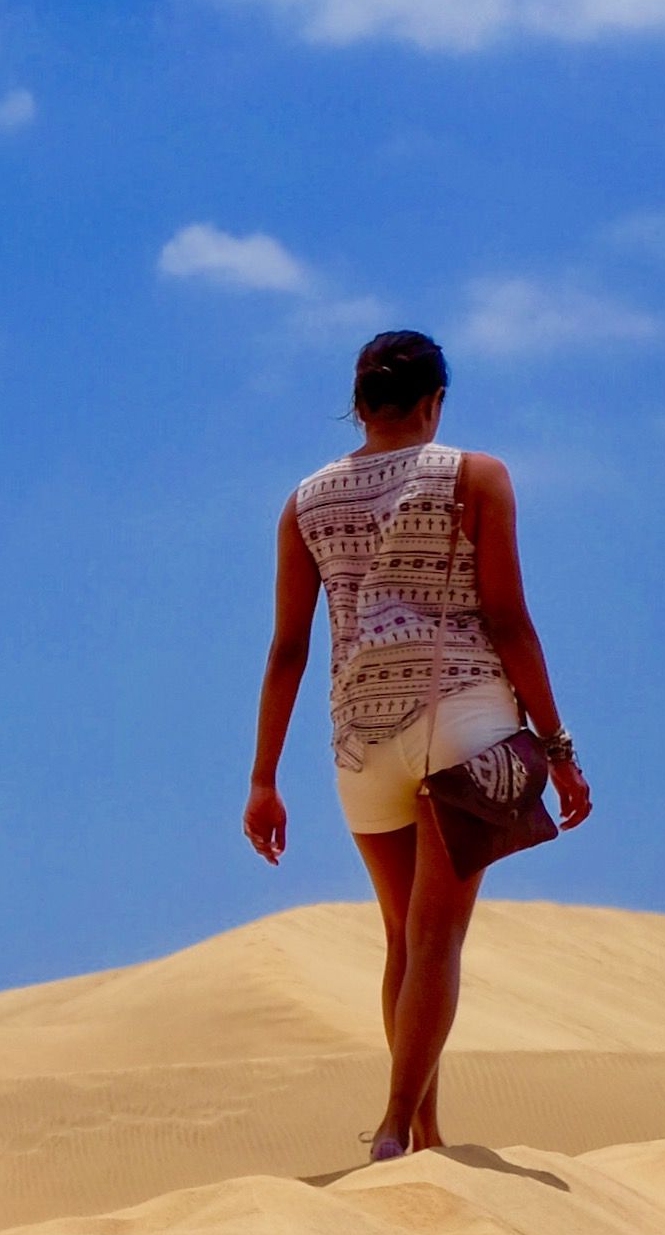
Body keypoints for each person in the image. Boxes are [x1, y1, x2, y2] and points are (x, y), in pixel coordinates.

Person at [243, 330, 593, 1164]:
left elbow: (288, 648)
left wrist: (263, 779)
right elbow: (508, 618)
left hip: (359, 742)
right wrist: (559, 745)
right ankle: (397, 1125)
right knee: (438, 939)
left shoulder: (304, 504)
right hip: (460, 721)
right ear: (435, 402)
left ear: (360, 405)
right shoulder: (476, 475)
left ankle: (425, 1131)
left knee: (405, 940)